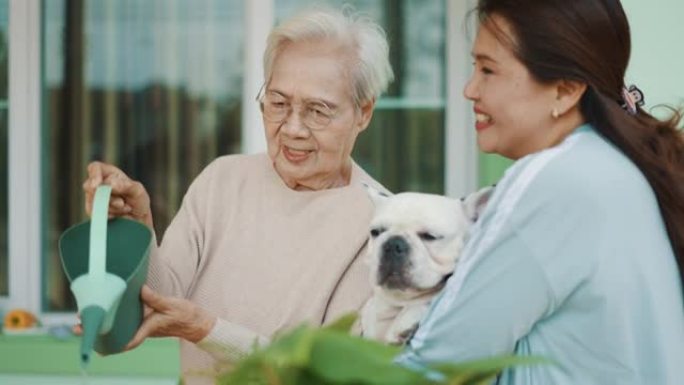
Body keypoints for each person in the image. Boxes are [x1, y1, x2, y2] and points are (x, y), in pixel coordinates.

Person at [81, 8, 393, 384]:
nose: (292, 128)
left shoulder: (384, 226)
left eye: (317, 111)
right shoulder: (222, 181)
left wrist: (206, 330)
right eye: (278, 103)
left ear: (364, 112)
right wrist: (136, 226)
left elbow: (321, 373)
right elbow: (158, 301)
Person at [397, 0, 684, 384]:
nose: (469, 89)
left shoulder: (555, 180)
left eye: (488, 70)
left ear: (564, 92)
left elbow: (436, 363)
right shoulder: (621, 168)